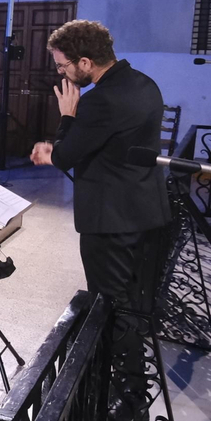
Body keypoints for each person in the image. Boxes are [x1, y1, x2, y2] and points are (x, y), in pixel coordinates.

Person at [30, 19, 171, 308]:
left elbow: (66, 157)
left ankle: (117, 353)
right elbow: (106, 143)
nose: (60, 72)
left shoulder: (101, 100)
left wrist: (67, 117)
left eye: (62, 65)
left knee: (110, 304)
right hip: (146, 210)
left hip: (111, 221)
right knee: (134, 296)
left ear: (84, 62)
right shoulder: (145, 83)